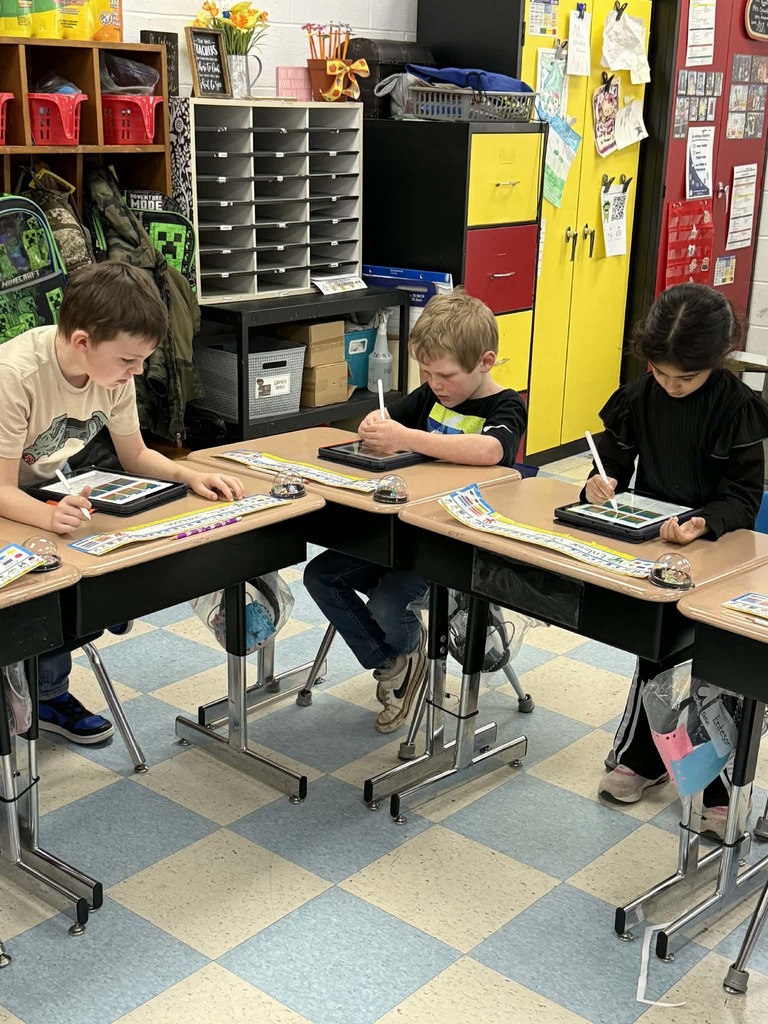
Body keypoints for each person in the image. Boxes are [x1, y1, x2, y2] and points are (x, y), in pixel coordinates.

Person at [0, 263, 244, 744]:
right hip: (10, 487)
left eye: (141, 362)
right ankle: (34, 693)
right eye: (128, 361)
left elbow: (135, 455)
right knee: (43, 590)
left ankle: (47, 691)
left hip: (40, 483)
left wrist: (191, 474)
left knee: (91, 573)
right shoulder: (15, 376)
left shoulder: (113, 372)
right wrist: (49, 515)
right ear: (83, 342)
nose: (136, 373)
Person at [586, 283, 768, 839]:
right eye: (661, 373)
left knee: (714, 670)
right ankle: (644, 758)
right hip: (656, 548)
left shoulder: (738, 408)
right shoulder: (640, 395)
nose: (671, 385)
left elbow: (743, 496)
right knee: (655, 653)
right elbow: (612, 461)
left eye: (685, 378)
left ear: (717, 362)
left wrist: (704, 522)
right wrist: (602, 481)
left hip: (718, 549)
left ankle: (714, 786)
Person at [304, 289, 527, 733]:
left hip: (451, 549)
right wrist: (374, 424)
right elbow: (389, 423)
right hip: (400, 534)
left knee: (390, 602)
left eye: (445, 374)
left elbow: (491, 450)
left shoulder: (505, 405)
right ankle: (397, 664)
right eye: (426, 372)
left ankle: (408, 656)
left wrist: (407, 438)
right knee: (321, 576)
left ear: (485, 361)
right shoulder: (429, 394)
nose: (435, 384)